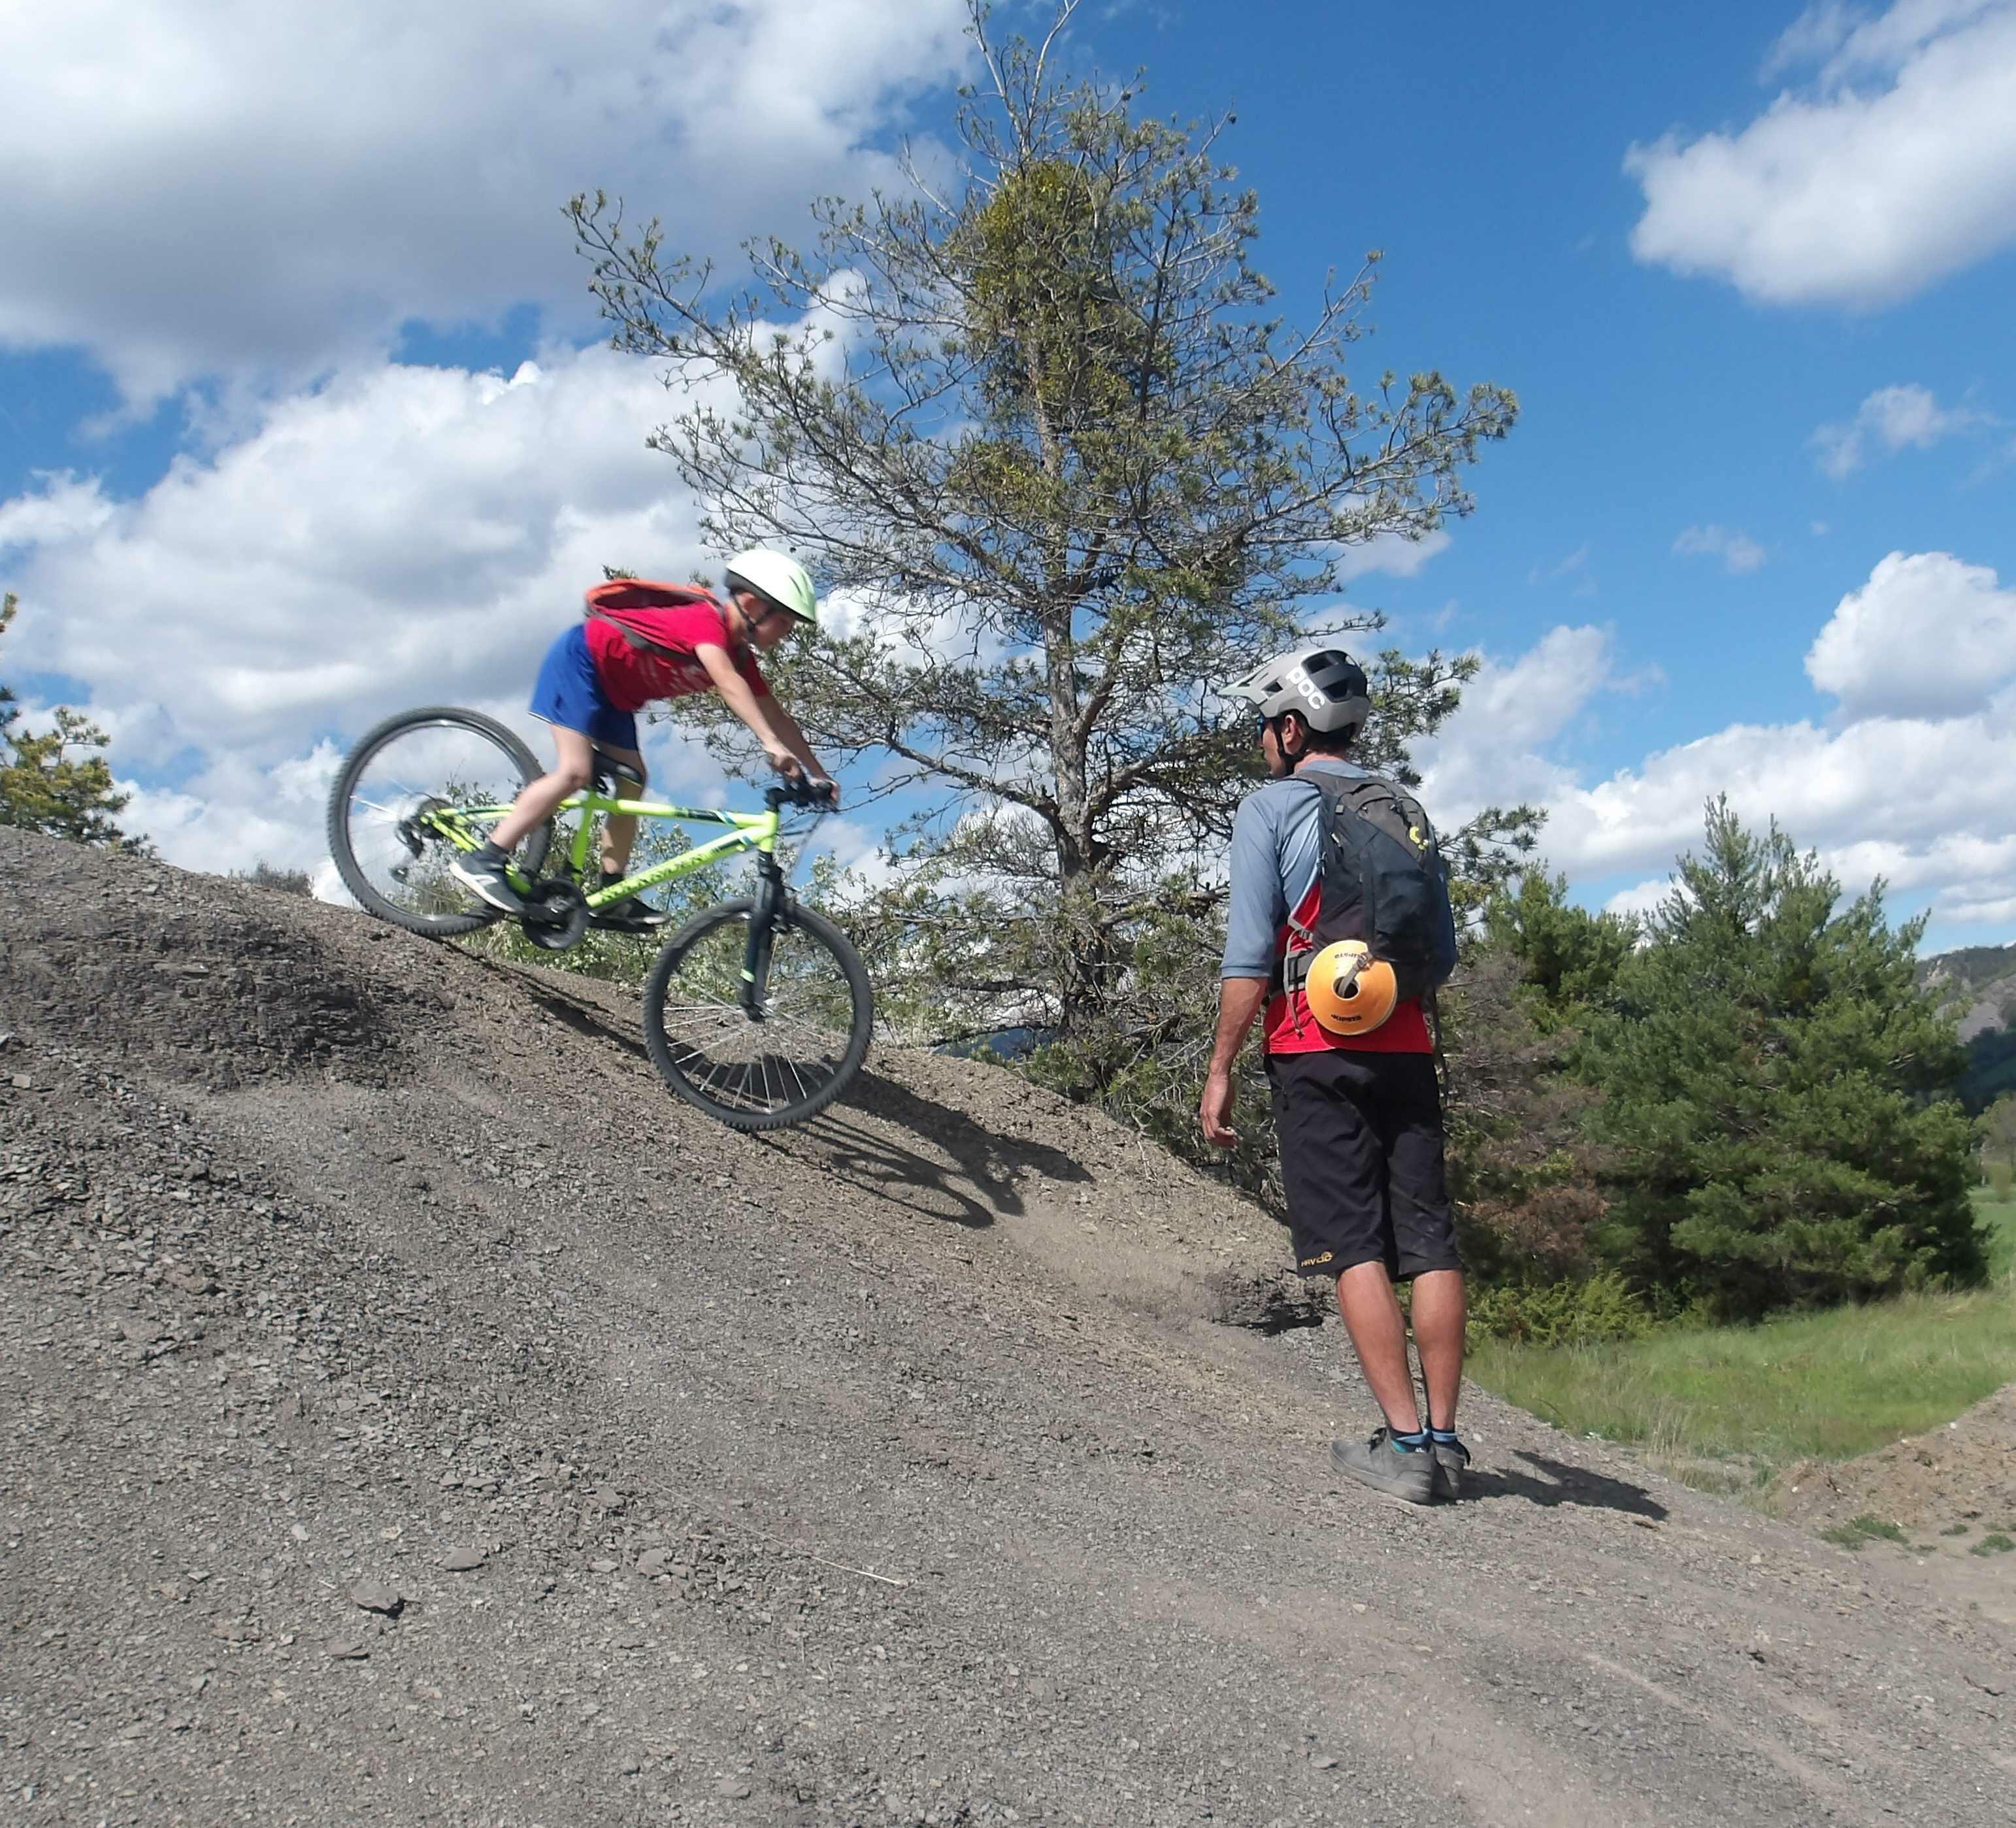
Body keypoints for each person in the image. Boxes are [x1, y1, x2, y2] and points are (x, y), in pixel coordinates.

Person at [1199, 646, 1468, 1504]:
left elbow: (1249, 954)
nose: (1260, 741)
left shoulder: (1272, 808)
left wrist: (1220, 1068)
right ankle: (1445, 1442)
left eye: (1264, 726)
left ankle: (1403, 1447)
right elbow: (1443, 952)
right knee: (1428, 1242)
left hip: (1314, 1045)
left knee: (1354, 1243)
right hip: (1406, 1042)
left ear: (1291, 728)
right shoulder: (1403, 807)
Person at [450, 549, 837, 927]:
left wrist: (817, 773)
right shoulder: (707, 622)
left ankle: (611, 891)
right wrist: (769, 743)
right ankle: (485, 860)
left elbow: (777, 716)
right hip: (581, 663)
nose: (787, 633)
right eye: (784, 621)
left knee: (634, 780)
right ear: (752, 604)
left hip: (615, 698)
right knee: (574, 772)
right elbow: (727, 682)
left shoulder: (740, 657)